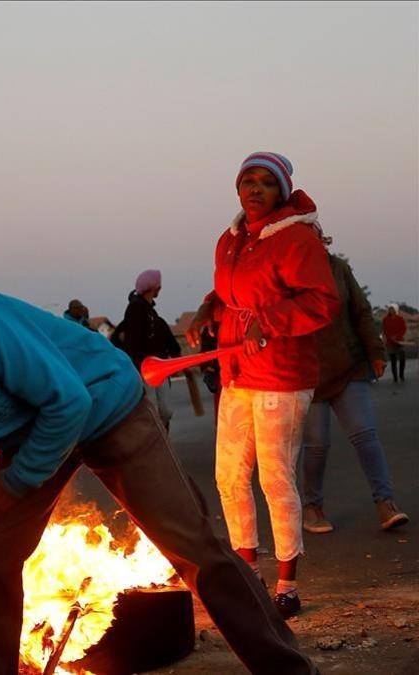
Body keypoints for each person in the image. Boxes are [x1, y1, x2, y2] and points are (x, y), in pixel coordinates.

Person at [0, 289, 316, 675]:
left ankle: (288, 670)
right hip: (33, 434)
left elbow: (68, 401)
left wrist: (15, 483)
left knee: (194, 548)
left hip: (105, 403)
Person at [187, 152, 339, 619]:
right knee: (229, 476)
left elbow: (322, 301)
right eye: (247, 181)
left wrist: (270, 322)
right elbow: (229, 292)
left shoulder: (297, 239)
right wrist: (207, 310)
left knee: (274, 477)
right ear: (237, 190)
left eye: (265, 183)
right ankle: (248, 574)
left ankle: (287, 585)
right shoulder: (230, 240)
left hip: (281, 375)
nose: (254, 189)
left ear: (282, 191)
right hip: (236, 371)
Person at [302, 252, 409, 533]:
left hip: (348, 364)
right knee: (316, 445)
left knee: (365, 434)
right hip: (309, 373)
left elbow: (361, 311)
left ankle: (385, 503)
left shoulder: (338, 268)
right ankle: (312, 507)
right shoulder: (286, 272)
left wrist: (376, 352)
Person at [112, 269, 181, 429]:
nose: (160, 288)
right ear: (152, 286)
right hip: (145, 370)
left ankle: (161, 444)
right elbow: (132, 342)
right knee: (153, 413)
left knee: (163, 412)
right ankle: (156, 447)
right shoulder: (136, 309)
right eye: (158, 284)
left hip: (158, 370)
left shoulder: (152, 313)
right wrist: (138, 369)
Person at [383, 304, 408, 382]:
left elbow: (403, 329)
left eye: (392, 309)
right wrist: (390, 337)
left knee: (402, 357)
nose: (391, 311)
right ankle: (395, 377)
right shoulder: (385, 319)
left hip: (399, 341)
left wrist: (397, 336)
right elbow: (385, 330)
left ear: (396, 310)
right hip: (390, 342)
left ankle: (401, 374)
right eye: (390, 309)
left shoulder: (400, 319)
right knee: (393, 360)